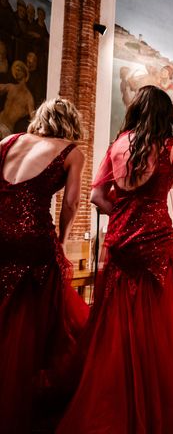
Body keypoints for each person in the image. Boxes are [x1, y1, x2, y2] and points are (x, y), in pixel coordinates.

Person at [57, 86, 173, 433]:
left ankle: (115, 394)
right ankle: (152, 398)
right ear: (165, 112)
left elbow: (97, 196)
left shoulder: (117, 145)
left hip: (120, 241)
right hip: (155, 242)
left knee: (115, 319)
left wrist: (125, 215)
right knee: (157, 324)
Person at [0, 98, 88, 432]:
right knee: (33, 319)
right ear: (71, 122)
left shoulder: (9, 141)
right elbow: (71, 202)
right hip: (33, 240)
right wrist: (63, 240)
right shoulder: (71, 152)